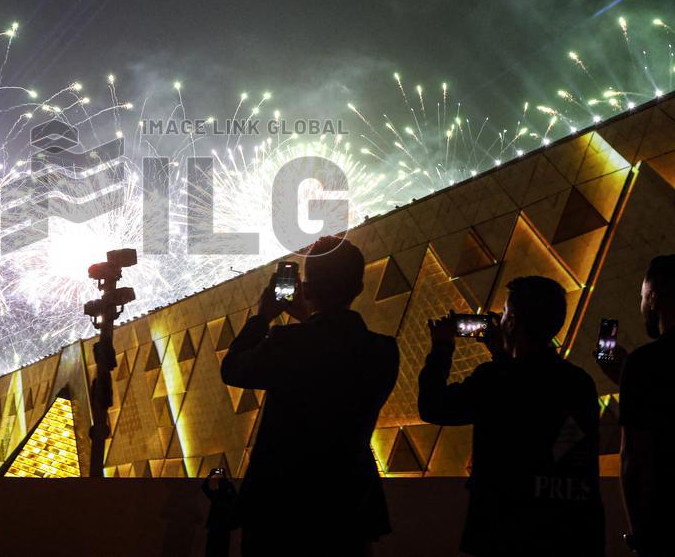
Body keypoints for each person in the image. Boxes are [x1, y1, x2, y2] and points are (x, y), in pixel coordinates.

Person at [220, 236, 398, 556]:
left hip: (281, 509)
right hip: (348, 508)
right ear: (358, 287)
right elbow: (334, 349)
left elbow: (232, 369)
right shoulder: (384, 351)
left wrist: (263, 317)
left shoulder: (287, 343)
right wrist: (310, 320)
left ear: (307, 288)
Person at [419, 276, 604, 557]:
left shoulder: (494, 380)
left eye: (505, 313)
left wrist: (442, 348)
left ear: (514, 320)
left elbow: (433, 406)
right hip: (569, 532)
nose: (500, 319)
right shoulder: (580, 383)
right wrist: (503, 356)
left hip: (504, 531)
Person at [620, 254, 675, 556]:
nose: (641, 304)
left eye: (642, 297)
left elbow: (634, 457)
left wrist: (637, 532)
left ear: (653, 299)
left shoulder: (644, 364)